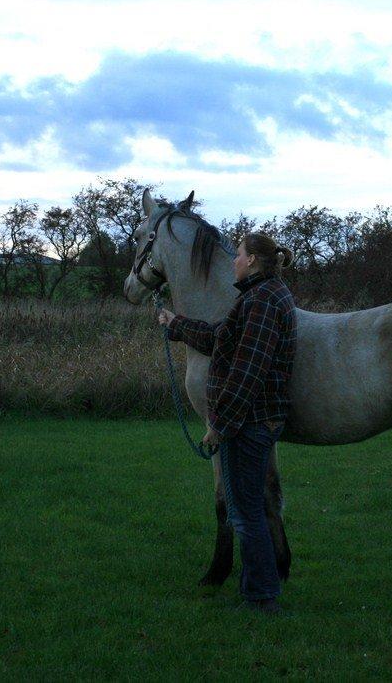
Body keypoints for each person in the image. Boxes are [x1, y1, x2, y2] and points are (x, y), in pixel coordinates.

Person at [157, 232, 297, 614]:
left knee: (246, 512)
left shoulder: (262, 301)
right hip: (251, 422)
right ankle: (261, 589)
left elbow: (248, 373)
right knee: (248, 508)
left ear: (252, 260)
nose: (233, 261)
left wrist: (220, 424)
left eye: (237, 254)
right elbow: (222, 337)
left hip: (249, 424)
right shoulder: (259, 296)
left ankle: (262, 596)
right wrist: (177, 325)